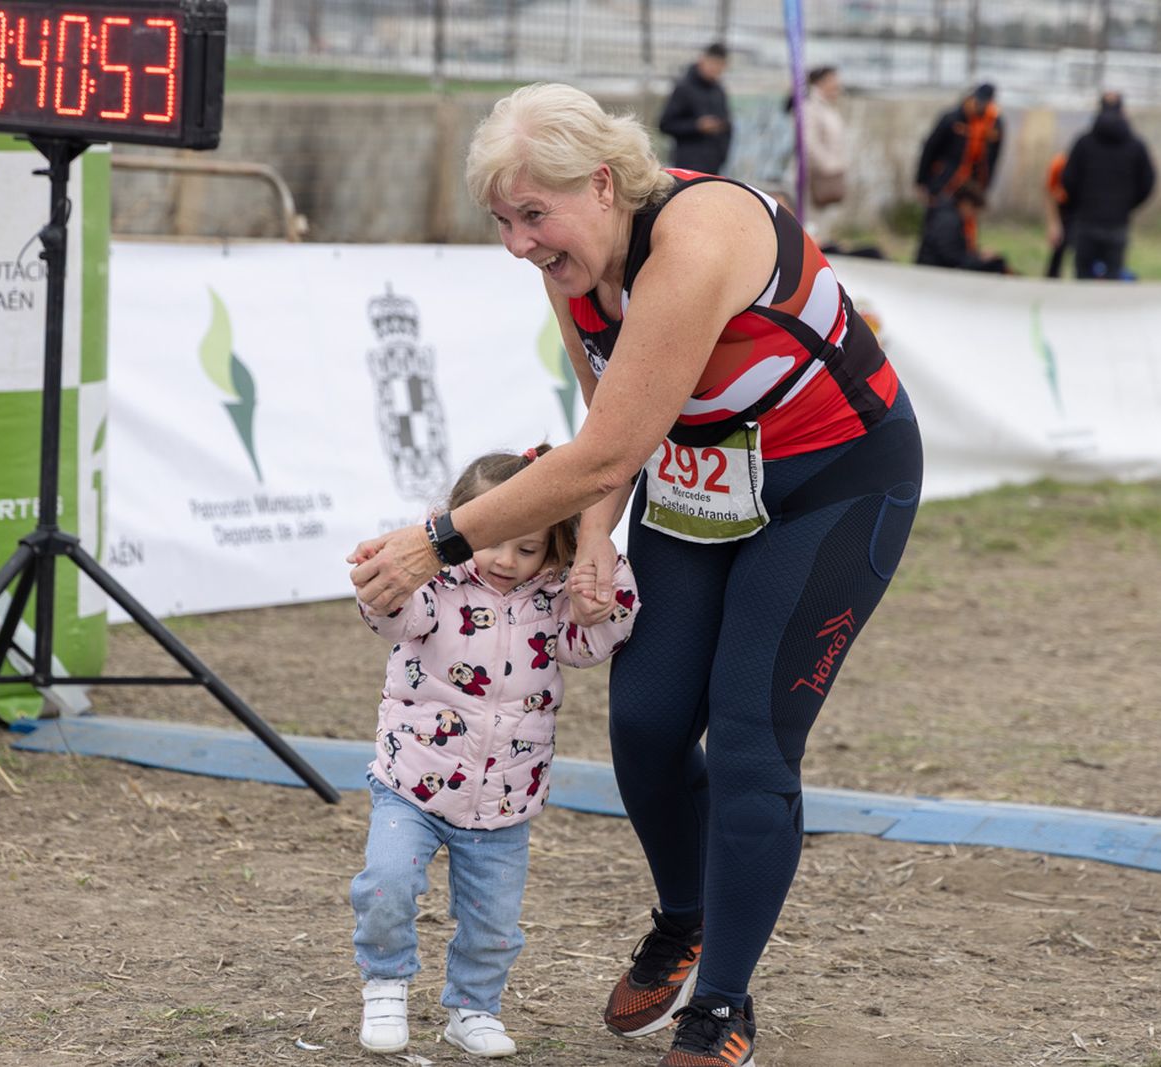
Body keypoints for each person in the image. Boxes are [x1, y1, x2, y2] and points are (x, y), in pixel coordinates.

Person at [349, 83, 923, 1067]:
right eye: (501, 219)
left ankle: (723, 1005)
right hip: (703, 485)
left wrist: (434, 541)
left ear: (604, 184)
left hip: (833, 487)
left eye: (533, 214)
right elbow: (608, 426)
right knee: (646, 721)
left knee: (749, 737)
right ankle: (686, 913)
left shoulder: (695, 239)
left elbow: (608, 451)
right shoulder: (574, 263)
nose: (517, 242)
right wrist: (598, 536)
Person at [349, 444, 640, 1057]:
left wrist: (603, 603)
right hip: (413, 781)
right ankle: (385, 984)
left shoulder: (550, 597)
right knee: (387, 884)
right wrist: (383, 579)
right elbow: (397, 618)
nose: (507, 559)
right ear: (459, 524)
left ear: (553, 547)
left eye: (528, 547)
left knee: (494, 926)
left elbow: (585, 649)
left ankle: (473, 1009)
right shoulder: (439, 586)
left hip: (506, 798)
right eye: (493, 540)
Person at [1060, 91, 1155, 280]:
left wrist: (1081, 204)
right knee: (1112, 278)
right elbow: (1148, 182)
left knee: (1083, 276)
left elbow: (1068, 179)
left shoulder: (1083, 143)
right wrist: (1126, 205)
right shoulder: (1136, 146)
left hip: (1086, 221)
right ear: (1122, 112)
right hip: (1118, 223)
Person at [914, 82, 1004, 204]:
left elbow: (994, 158)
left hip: (973, 185)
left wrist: (985, 187)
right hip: (943, 181)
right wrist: (922, 180)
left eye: (985, 103)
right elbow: (930, 148)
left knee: (965, 220)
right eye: (978, 101)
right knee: (940, 217)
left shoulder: (995, 125)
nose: (980, 106)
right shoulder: (951, 119)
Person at [659, 43, 732, 175]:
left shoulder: (719, 91)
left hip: (713, 168)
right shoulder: (684, 88)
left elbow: (727, 125)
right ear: (702, 60)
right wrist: (697, 126)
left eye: (720, 65)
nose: (715, 68)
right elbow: (665, 124)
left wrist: (722, 156)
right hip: (687, 167)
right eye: (713, 63)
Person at [799, 65, 849, 243]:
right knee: (811, 225)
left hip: (829, 176)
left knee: (822, 225)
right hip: (814, 178)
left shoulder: (828, 106)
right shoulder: (810, 106)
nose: (837, 85)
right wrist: (828, 165)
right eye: (833, 80)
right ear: (821, 82)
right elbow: (807, 142)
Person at [915, 181, 1008, 273]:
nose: (973, 216)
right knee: (996, 263)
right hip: (934, 272)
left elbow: (956, 251)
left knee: (995, 261)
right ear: (966, 204)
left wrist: (978, 255)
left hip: (939, 268)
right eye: (974, 212)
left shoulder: (949, 215)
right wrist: (979, 259)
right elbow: (952, 257)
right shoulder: (948, 221)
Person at [1044, 149, 1073, 278]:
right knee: (1059, 246)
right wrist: (1053, 224)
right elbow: (1050, 193)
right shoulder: (1059, 164)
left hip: (1084, 211)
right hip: (1063, 208)